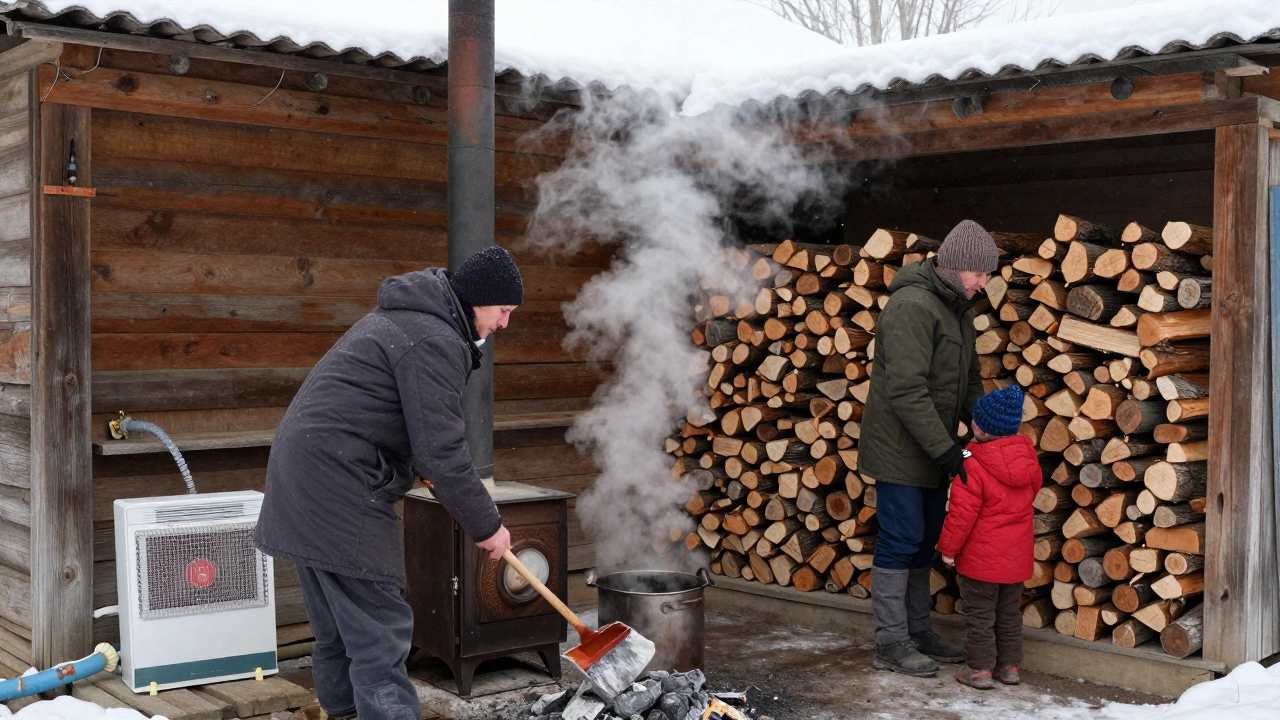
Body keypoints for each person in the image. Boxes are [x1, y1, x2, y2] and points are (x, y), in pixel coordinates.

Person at [254, 246, 524, 720]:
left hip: (304, 476)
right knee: (380, 630)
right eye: (503, 311)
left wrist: (418, 465)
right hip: (339, 484)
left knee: (340, 631)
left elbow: (390, 418)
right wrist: (487, 525)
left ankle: (343, 714)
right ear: (479, 300)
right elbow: (442, 452)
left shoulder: (408, 321)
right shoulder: (433, 338)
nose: (504, 324)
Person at [859, 219, 1000, 677]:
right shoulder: (913, 306)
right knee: (900, 542)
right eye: (981, 273)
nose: (985, 282)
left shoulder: (957, 307)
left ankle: (918, 633)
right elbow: (905, 390)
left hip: (934, 446)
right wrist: (946, 450)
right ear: (958, 266)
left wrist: (987, 433)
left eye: (988, 274)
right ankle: (891, 643)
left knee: (923, 541)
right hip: (902, 450)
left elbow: (969, 380)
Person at [937, 384, 1041, 689]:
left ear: (980, 427)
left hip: (980, 561)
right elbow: (1032, 491)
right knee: (1009, 614)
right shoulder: (1027, 458)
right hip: (1016, 559)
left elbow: (961, 515)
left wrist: (948, 550)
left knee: (980, 616)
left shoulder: (972, 464)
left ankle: (979, 669)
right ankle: (1009, 668)